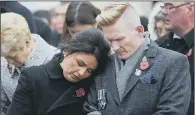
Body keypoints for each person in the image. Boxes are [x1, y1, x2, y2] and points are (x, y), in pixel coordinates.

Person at [84, 2, 191, 115]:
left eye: (119, 39)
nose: (114, 47)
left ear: (139, 31)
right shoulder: (104, 63)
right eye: (109, 40)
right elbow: (90, 106)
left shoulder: (172, 63)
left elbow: (171, 112)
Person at [7, 28, 110, 115]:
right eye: (80, 63)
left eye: (90, 70)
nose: (81, 73)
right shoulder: (32, 77)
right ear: (68, 51)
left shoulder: (90, 84)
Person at [1, 12, 59, 115]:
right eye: (5, 57)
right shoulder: (4, 59)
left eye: (13, 56)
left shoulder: (55, 61)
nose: (8, 62)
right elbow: (3, 106)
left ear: (27, 42)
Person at [155, 1, 194, 115]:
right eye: (163, 7)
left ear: (190, 9)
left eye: (169, 7)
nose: (164, 12)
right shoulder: (157, 47)